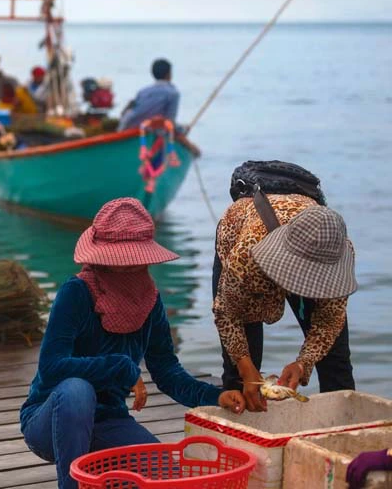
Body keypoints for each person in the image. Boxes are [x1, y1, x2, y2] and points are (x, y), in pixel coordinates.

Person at [20, 198, 246, 489]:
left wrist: (215, 396)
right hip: (52, 419)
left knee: (168, 477)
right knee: (77, 389)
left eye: (135, 262)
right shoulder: (75, 292)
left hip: (107, 421)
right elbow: (52, 367)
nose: (128, 268)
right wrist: (122, 368)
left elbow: (167, 371)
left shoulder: (149, 300)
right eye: (120, 263)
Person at [213, 186, 357, 412]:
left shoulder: (337, 250)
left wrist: (302, 364)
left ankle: (341, 424)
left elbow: (330, 321)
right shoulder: (247, 254)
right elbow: (227, 313)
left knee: (335, 362)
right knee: (241, 374)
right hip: (247, 239)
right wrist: (245, 365)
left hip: (304, 241)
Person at [117, 59, 179, 131]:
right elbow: (170, 121)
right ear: (169, 74)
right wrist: (181, 129)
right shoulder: (173, 93)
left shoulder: (143, 91)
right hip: (151, 130)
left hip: (129, 126)